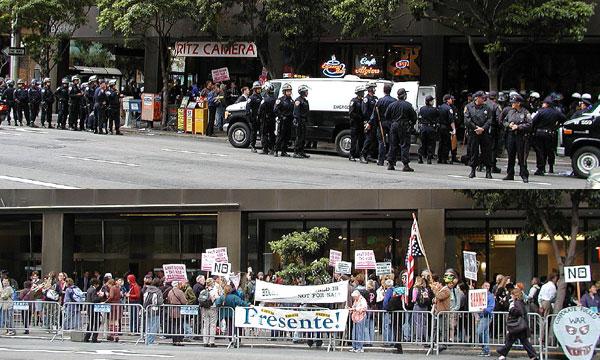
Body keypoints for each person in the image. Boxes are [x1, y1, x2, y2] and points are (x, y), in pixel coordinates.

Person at [497, 288, 539, 360]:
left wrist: (512, 309)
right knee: (521, 341)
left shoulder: (517, 302)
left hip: (517, 325)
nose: (511, 296)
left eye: (512, 294)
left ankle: (502, 353)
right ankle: (533, 355)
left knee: (512, 340)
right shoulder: (520, 302)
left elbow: (519, 311)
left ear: (515, 295)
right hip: (519, 325)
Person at [531, 98, 566, 175]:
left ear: (547, 104)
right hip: (550, 133)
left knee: (540, 151)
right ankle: (551, 167)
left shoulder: (541, 111)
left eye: (543, 103)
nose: (542, 104)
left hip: (539, 133)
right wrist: (557, 125)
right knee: (550, 151)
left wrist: (532, 131)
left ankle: (541, 168)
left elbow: (533, 122)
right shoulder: (556, 112)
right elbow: (564, 118)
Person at [502, 94, 532, 182]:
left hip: (521, 136)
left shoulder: (525, 112)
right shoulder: (511, 112)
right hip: (511, 136)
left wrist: (519, 127)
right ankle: (510, 174)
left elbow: (530, 124)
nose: (512, 104)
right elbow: (504, 121)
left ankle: (524, 174)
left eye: (514, 102)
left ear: (518, 103)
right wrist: (509, 125)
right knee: (511, 155)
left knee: (521, 156)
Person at [386, 88, 417, 172]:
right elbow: (414, 117)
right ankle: (405, 165)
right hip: (404, 126)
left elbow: (386, 116)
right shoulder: (408, 105)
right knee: (404, 145)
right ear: (404, 95)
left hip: (394, 125)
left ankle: (390, 163)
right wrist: (411, 124)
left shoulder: (392, 105)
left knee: (393, 144)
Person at [465, 91, 493, 178]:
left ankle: (488, 171)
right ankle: (473, 170)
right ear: (477, 98)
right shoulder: (469, 107)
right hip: (473, 132)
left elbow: (489, 120)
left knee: (487, 152)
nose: (483, 99)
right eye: (482, 97)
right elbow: (467, 120)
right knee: (474, 151)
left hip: (484, 132)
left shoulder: (487, 107)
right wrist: (475, 128)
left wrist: (483, 128)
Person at [369, 84, 395, 166]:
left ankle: (381, 161)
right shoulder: (394, 101)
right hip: (391, 123)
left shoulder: (380, 101)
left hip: (381, 123)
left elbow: (375, 113)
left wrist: (373, 123)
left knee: (381, 142)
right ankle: (391, 160)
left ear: (384, 91)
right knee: (392, 142)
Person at [360, 82, 379, 163]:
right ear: (369, 89)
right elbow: (364, 112)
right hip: (369, 122)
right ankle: (362, 155)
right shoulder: (366, 99)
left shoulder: (375, 98)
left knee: (373, 140)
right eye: (373, 87)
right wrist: (366, 123)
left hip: (375, 122)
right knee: (368, 139)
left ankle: (369, 155)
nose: (375, 89)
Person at [417, 95, 439, 164]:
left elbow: (419, 118)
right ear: (430, 101)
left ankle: (420, 157)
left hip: (423, 127)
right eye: (432, 101)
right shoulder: (434, 109)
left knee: (422, 143)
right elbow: (437, 118)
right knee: (430, 143)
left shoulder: (422, 109)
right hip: (430, 128)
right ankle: (429, 158)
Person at [274, 83, 294, 157]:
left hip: (289, 121)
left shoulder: (292, 101)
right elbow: (275, 109)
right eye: (287, 91)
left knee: (287, 136)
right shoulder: (280, 100)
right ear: (284, 92)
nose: (289, 92)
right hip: (282, 121)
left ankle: (284, 151)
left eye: (290, 91)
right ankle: (276, 150)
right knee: (280, 136)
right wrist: (281, 116)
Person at [486, 91, 503, 174]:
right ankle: (492, 166)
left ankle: (481, 165)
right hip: (492, 128)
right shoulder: (496, 106)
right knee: (492, 148)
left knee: (483, 146)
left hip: (484, 127)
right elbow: (498, 119)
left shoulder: (484, 104)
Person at [412, 276, 433, 342]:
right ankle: (425, 337)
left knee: (418, 323)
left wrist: (412, 300)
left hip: (417, 306)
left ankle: (419, 338)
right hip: (425, 307)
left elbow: (414, 299)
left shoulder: (415, 289)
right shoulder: (425, 289)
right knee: (424, 323)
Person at [199, 278, 220, 347]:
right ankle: (211, 341)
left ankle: (205, 341)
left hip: (204, 309)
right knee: (212, 325)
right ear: (212, 283)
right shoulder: (214, 291)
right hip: (212, 308)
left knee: (205, 325)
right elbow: (217, 298)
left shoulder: (202, 291)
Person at [476, 282, 495, 357]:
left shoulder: (490, 296)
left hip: (486, 316)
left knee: (480, 332)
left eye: (488, 286)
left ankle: (485, 348)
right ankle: (486, 350)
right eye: (485, 286)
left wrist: (484, 309)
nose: (487, 287)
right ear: (482, 286)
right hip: (481, 316)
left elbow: (491, 307)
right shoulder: (480, 295)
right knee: (485, 333)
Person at [143, 278, 163, 345]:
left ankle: (147, 340)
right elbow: (160, 302)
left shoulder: (147, 290)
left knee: (148, 326)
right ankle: (150, 341)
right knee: (154, 326)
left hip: (147, 309)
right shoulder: (158, 291)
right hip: (155, 310)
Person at [349, 85, 367, 162]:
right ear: (359, 93)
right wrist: (360, 117)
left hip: (361, 124)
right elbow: (351, 113)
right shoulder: (354, 101)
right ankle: (351, 155)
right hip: (355, 124)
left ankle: (361, 155)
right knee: (354, 140)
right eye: (362, 92)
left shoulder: (363, 101)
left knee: (361, 140)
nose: (363, 93)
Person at [438, 94, 457, 164]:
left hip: (440, 127)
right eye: (450, 99)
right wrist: (454, 129)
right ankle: (444, 158)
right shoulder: (449, 109)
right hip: (446, 127)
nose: (451, 100)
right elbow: (451, 120)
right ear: (448, 100)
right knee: (446, 143)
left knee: (441, 142)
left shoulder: (440, 107)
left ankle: (439, 158)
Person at [258, 83, 277, 155]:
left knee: (264, 134)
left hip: (265, 119)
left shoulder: (265, 99)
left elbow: (260, 110)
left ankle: (265, 149)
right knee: (272, 134)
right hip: (273, 119)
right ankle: (272, 148)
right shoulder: (276, 99)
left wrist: (259, 118)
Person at [167, 281, 187, 346]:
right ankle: (179, 340)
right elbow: (184, 301)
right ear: (178, 285)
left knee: (173, 326)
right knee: (179, 326)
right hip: (178, 311)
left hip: (171, 310)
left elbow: (168, 300)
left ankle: (174, 340)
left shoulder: (170, 292)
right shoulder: (180, 292)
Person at [293, 84, 310, 159]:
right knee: (299, 137)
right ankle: (296, 152)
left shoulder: (305, 100)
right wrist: (297, 121)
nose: (307, 92)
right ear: (302, 92)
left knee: (303, 137)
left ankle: (301, 151)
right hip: (299, 121)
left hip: (304, 121)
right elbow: (296, 112)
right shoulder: (298, 100)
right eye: (306, 91)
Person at [83, 279, 103, 343]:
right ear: (95, 284)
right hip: (94, 309)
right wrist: (100, 296)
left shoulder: (89, 289)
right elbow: (94, 300)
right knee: (97, 323)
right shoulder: (94, 290)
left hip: (89, 308)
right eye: (97, 284)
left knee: (91, 323)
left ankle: (87, 337)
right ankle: (94, 338)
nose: (98, 285)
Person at [246, 82, 263, 153]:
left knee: (262, 132)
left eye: (260, 89)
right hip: (254, 118)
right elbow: (248, 109)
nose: (259, 90)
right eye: (258, 89)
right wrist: (251, 118)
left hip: (260, 117)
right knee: (254, 133)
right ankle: (253, 146)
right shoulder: (251, 98)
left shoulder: (261, 97)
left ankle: (264, 146)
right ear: (254, 89)